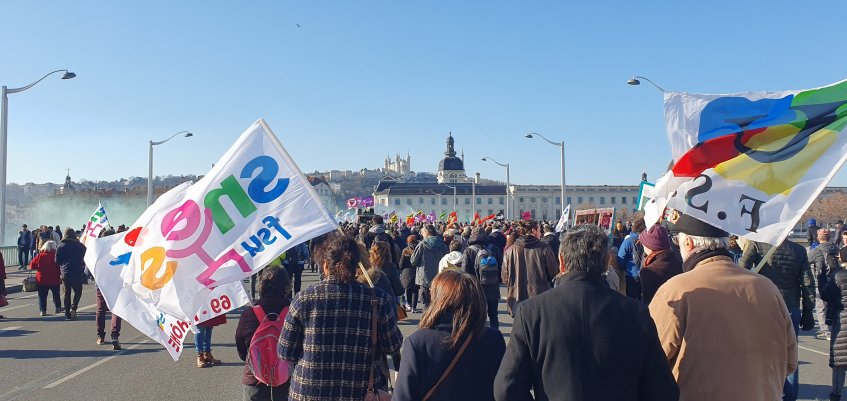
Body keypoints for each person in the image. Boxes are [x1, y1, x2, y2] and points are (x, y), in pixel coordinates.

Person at [494, 224, 678, 401]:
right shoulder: (635, 312)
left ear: (562, 262)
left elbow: (507, 388)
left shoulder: (532, 312)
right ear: (607, 263)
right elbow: (662, 389)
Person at [649, 211, 797, 401]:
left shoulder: (676, 290)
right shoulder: (767, 287)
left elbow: (650, 358)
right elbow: (790, 361)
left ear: (688, 243)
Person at [278, 232, 403, 400]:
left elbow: (286, 352)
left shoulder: (304, 299)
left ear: (325, 266)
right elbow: (393, 345)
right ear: (356, 266)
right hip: (360, 391)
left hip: (309, 391)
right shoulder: (377, 299)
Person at [394, 270, 506, 401]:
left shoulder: (418, 342)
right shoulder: (493, 339)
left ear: (438, 299)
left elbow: (402, 397)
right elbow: (505, 389)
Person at [739, 238, 815, 401]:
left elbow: (740, 271)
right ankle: (789, 397)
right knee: (790, 355)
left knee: (761, 353)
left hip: (763, 305)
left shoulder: (757, 245)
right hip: (790, 306)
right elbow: (807, 283)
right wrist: (808, 311)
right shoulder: (799, 250)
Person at [236, 265, 293, 400]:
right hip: (287, 378)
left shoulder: (249, 314)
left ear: (261, 285)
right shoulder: (293, 312)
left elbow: (242, 350)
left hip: (255, 379)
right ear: (286, 286)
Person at [501, 220, 558, 317]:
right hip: (539, 298)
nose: (541, 233)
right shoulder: (544, 248)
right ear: (534, 231)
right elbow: (553, 272)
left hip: (517, 300)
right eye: (539, 230)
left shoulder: (510, 251)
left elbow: (505, 277)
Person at [638, 224, 682, 305]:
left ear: (650, 246)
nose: (643, 247)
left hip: (659, 312)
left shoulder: (649, 271)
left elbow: (648, 301)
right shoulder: (677, 260)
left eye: (643, 244)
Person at [411, 224, 449, 310]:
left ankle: (427, 321)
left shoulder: (422, 244)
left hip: (424, 277)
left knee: (425, 303)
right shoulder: (442, 244)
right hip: (439, 276)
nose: (422, 234)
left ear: (427, 233)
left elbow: (413, 261)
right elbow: (447, 258)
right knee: (437, 302)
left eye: (423, 232)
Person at [813, 229, 840, 340]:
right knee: (833, 305)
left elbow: (807, 261)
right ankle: (833, 328)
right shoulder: (836, 248)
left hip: (821, 280)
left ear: (818, 237)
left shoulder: (816, 250)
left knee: (821, 307)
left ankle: (826, 331)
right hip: (835, 280)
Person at [56, 228, 86, 320]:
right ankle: (74, 307)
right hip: (77, 272)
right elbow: (85, 258)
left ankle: (67, 313)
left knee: (66, 294)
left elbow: (57, 261)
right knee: (78, 291)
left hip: (65, 273)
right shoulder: (80, 246)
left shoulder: (60, 246)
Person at [29, 241, 62, 316]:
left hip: (42, 279)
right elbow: (59, 266)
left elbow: (32, 265)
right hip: (54, 278)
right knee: (56, 294)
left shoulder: (40, 255)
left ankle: (43, 310)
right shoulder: (56, 255)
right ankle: (58, 307)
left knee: (42, 296)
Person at [618, 218, 646, 300]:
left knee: (631, 300)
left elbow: (621, 257)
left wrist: (625, 268)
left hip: (632, 274)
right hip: (646, 273)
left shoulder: (628, 241)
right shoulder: (647, 239)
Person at [400, 235, 420, 313]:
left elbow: (401, 264)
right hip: (416, 271)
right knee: (415, 290)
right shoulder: (419, 250)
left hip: (407, 272)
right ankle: (414, 307)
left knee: (407, 290)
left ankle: (409, 304)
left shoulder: (405, 251)